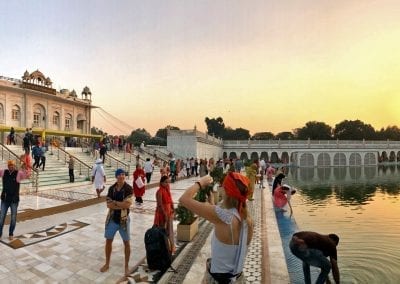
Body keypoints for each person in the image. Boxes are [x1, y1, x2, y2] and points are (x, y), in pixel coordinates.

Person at [179, 173, 254, 283]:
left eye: (224, 187)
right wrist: (212, 205)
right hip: (237, 279)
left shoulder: (223, 217)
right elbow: (229, 251)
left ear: (227, 192)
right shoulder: (248, 221)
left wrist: (200, 183)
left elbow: (184, 199)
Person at [100, 169, 133, 276]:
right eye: (119, 174)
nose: (121, 176)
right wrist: (120, 204)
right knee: (108, 241)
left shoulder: (128, 188)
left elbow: (127, 205)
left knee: (126, 243)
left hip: (124, 220)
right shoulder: (111, 189)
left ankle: (126, 266)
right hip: (112, 219)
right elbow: (109, 205)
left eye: (123, 174)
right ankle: (107, 263)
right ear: (116, 176)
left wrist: (115, 203)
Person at [0, 160, 30, 240]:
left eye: (12, 165)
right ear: (8, 166)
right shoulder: (4, 172)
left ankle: (11, 233)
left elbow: (27, 175)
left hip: (14, 200)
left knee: (13, 218)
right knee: (1, 217)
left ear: (14, 166)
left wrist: (25, 167)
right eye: (10, 165)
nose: (11, 166)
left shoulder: (18, 173)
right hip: (5, 199)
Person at [154, 175, 175, 253]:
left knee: (169, 230)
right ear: (161, 182)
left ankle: (170, 247)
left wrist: (173, 208)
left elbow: (170, 200)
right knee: (163, 230)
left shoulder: (167, 190)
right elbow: (160, 204)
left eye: (168, 182)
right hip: (162, 213)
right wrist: (165, 214)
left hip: (168, 212)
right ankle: (163, 247)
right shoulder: (159, 191)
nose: (167, 184)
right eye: (166, 182)